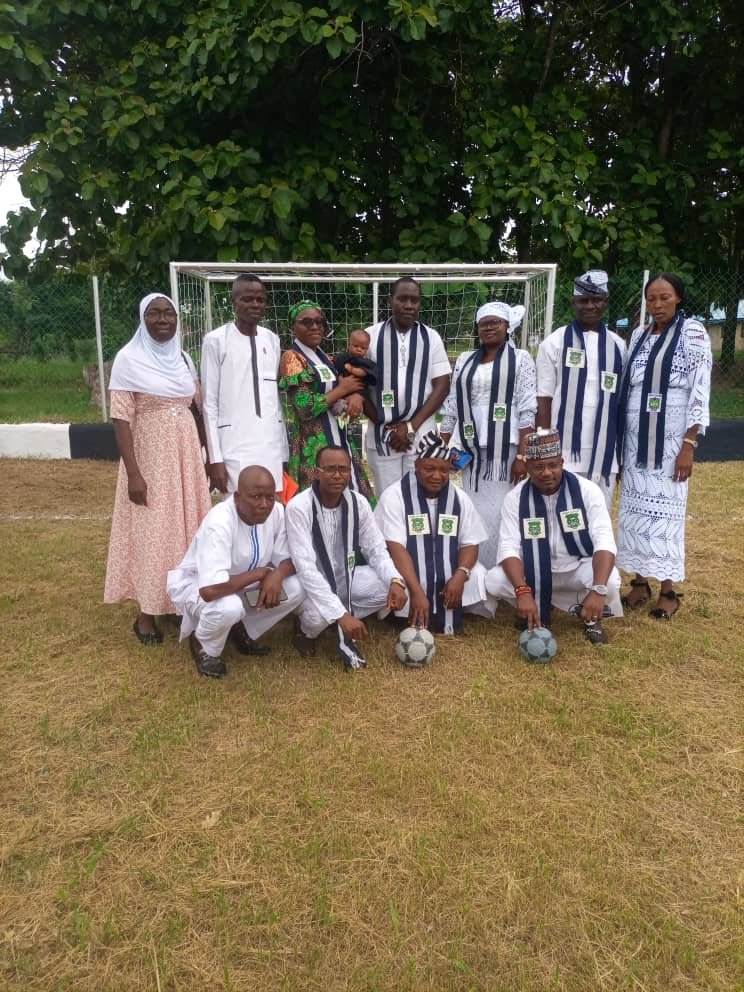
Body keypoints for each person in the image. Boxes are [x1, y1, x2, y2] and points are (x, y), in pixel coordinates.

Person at [104, 293, 211, 645]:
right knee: (154, 531)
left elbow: (196, 409)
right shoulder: (128, 359)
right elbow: (121, 420)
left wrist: (206, 455)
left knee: (186, 527)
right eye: (154, 313)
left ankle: (181, 602)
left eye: (169, 313)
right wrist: (134, 473)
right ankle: (146, 614)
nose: (163, 320)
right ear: (142, 318)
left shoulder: (183, 359)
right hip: (149, 459)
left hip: (186, 458)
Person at [616, 273, 712, 619]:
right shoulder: (639, 335)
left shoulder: (693, 333)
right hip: (636, 440)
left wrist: (689, 443)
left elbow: (699, 389)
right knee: (636, 514)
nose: (657, 305)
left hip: (670, 442)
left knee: (666, 515)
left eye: (664, 298)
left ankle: (669, 591)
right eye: (652, 299)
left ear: (679, 298)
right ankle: (640, 583)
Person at [484, 429, 623, 644]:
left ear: (562, 462)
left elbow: (604, 540)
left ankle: (591, 619)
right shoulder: (515, 498)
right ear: (528, 467)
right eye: (539, 467)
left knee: (611, 580)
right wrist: (522, 591)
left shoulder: (587, 491)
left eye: (553, 465)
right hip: (535, 571)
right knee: (494, 580)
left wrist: (598, 589)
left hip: (577, 567)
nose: (547, 473)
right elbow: (508, 548)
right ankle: (539, 604)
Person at [167, 466, 304, 677]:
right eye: (256, 497)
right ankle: (204, 644)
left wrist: (276, 575)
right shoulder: (220, 521)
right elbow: (209, 590)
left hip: (243, 588)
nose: (264, 504)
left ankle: (241, 629)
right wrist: (259, 574)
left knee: (297, 587)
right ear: (238, 497)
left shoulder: (277, 512)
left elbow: (292, 558)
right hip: (199, 588)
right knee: (228, 607)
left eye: (270, 497)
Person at [285, 445, 408, 670]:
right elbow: (306, 569)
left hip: (346, 576)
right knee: (319, 617)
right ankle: (304, 630)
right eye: (330, 469)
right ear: (316, 472)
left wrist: (395, 581)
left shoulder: (358, 503)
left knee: (388, 588)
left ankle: (340, 616)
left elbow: (376, 550)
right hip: (310, 584)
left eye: (343, 469)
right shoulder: (299, 507)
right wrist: (340, 613)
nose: (338, 475)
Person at [440, 301, 537, 567]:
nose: (489, 327)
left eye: (496, 322)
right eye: (484, 323)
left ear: (507, 327)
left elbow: (528, 407)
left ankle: (503, 569)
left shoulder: (521, 359)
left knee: (501, 511)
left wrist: (523, 455)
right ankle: (476, 569)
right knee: (474, 508)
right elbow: (451, 406)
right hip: (471, 449)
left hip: (505, 451)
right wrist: (441, 446)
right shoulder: (464, 360)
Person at [375, 431, 495, 634]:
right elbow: (396, 549)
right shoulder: (395, 496)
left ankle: (447, 606)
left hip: (447, 571)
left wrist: (460, 574)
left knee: (480, 575)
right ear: (416, 466)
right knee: (383, 582)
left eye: (444, 470)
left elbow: (470, 543)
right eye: (429, 468)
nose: (437, 476)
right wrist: (417, 591)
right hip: (406, 571)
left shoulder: (459, 498)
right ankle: (406, 612)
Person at [536, 270, 626, 508]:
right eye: (583, 301)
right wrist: (545, 444)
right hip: (562, 446)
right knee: (563, 510)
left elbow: (621, 402)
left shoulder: (618, 346)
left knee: (598, 513)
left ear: (605, 302)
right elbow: (543, 398)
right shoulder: (554, 342)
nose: (590, 306)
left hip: (604, 448)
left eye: (596, 300)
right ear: (573, 303)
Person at [200, 274, 287, 496]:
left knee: (270, 509)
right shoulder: (216, 340)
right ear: (234, 302)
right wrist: (215, 458)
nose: (255, 305)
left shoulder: (271, 339)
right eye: (247, 299)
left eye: (260, 299)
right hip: (234, 445)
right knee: (238, 508)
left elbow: (274, 400)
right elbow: (209, 403)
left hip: (269, 443)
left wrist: (283, 452)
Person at [365, 277, 451, 496]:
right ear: (389, 301)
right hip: (383, 435)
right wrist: (387, 428)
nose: (409, 305)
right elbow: (358, 386)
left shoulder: (431, 337)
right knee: (387, 498)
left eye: (414, 300)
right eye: (402, 299)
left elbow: (442, 385)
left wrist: (410, 427)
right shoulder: (370, 336)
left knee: (421, 497)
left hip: (421, 433)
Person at [278, 301, 373, 499]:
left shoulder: (326, 358)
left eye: (319, 322)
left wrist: (355, 396)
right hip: (312, 446)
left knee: (352, 498)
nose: (315, 326)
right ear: (293, 326)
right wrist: (342, 390)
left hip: (340, 438)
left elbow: (352, 383)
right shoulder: (292, 358)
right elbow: (305, 408)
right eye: (307, 322)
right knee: (318, 503)